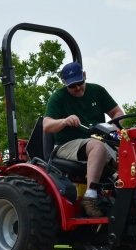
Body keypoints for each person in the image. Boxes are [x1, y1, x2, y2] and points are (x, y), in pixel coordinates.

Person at [43, 61, 124, 217]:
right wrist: (64, 121)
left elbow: (117, 113)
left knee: (129, 155)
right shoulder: (58, 98)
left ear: (84, 76)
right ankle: (90, 196)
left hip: (98, 139)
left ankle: (126, 198)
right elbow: (47, 125)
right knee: (98, 147)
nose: (77, 88)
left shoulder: (97, 91)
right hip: (67, 145)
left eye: (80, 83)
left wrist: (111, 127)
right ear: (65, 84)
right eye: (72, 86)